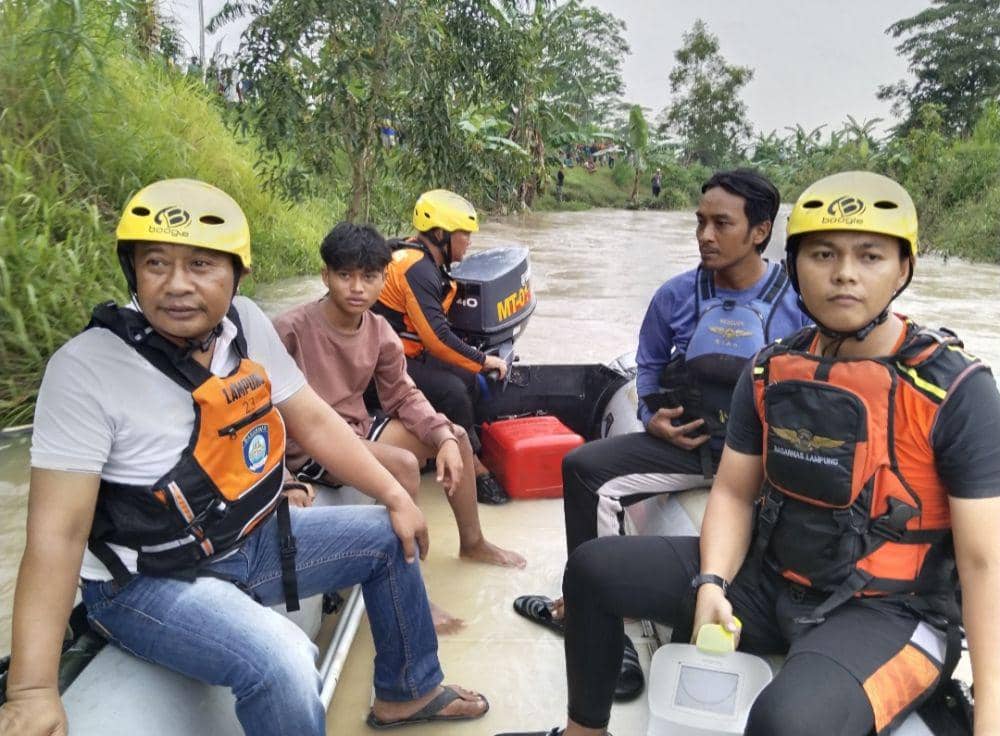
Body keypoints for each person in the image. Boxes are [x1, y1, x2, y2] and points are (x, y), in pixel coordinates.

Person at [500, 171, 1000, 736]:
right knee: (592, 569)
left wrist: (992, 705)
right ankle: (583, 731)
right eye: (823, 254)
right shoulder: (770, 368)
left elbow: (985, 562)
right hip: (771, 578)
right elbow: (736, 494)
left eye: (870, 256)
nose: (844, 274)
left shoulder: (955, 391)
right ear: (796, 265)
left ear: (904, 269)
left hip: (887, 607)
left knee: (784, 721)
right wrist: (711, 582)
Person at [0, 179, 490, 736]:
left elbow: (313, 421)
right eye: (156, 263)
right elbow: (55, 534)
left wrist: (396, 496)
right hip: (146, 580)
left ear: (237, 275)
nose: (177, 285)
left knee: (389, 534)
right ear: (131, 269)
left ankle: (407, 692)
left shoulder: (247, 324)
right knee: (283, 660)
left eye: (202, 265)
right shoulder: (85, 369)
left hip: (247, 539)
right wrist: (32, 688)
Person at [513, 170, 809, 693]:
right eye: (700, 222)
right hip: (691, 447)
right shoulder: (676, 295)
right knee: (582, 467)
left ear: (761, 231)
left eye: (722, 223)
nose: (705, 235)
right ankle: (604, 625)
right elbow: (648, 365)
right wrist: (651, 416)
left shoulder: (800, 303)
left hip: (764, 465)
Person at [273, 222, 526, 627]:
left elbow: (402, 397)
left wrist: (441, 436)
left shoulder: (380, 332)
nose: (357, 288)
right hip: (310, 446)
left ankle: (473, 542)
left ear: (382, 279)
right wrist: (285, 476)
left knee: (456, 436)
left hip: (354, 430)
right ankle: (411, 593)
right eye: (344, 275)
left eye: (369, 277)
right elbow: (262, 412)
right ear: (326, 276)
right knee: (405, 465)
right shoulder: (289, 330)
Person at [373, 189, 510, 505]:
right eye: (464, 233)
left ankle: (445, 452)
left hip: (402, 355)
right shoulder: (416, 268)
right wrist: (483, 359)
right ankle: (473, 470)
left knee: (465, 379)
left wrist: (473, 365)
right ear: (440, 235)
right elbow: (437, 338)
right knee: (452, 389)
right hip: (378, 367)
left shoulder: (421, 259)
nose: (469, 241)